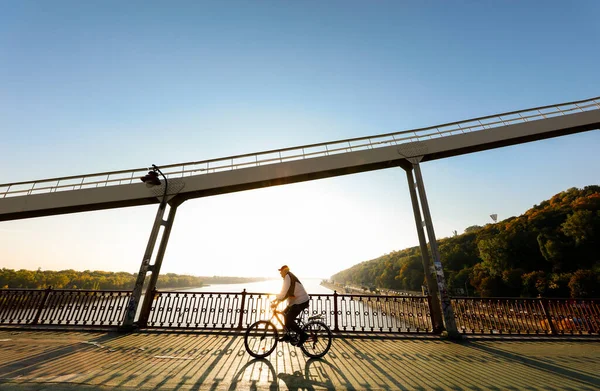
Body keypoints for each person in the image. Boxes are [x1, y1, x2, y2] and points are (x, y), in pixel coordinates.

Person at [271, 265, 310, 345]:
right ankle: (287, 335)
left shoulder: (287, 277)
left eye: (281, 272)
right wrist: (276, 301)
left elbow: (283, 292)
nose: (280, 274)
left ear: (284, 271)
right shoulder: (288, 277)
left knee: (289, 318)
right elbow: (286, 294)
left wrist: (277, 300)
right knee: (285, 314)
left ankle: (303, 336)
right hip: (295, 302)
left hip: (301, 301)